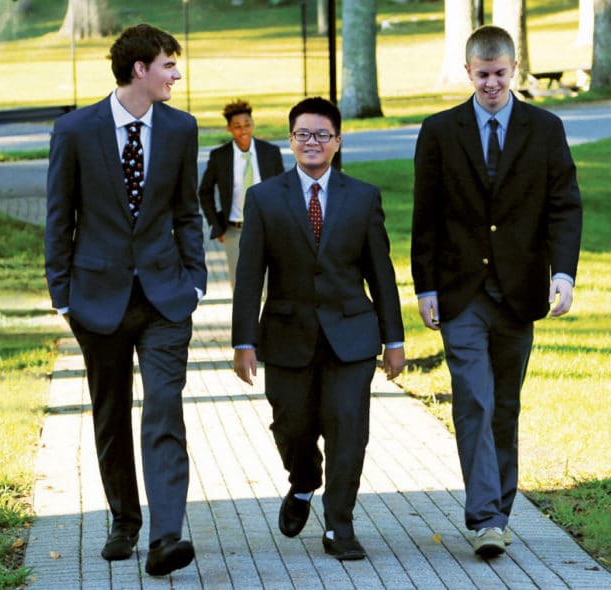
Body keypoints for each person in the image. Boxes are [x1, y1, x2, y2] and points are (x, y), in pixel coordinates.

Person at [411, 25, 582, 558]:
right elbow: (426, 217)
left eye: (500, 74)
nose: (491, 84)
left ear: (513, 71)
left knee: (505, 404)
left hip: (521, 289)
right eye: (482, 75)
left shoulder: (545, 128)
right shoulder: (439, 131)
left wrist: (563, 273)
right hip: (461, 293)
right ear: (468, 72)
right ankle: (485, 517)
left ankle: (499, 513)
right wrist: (426, 287)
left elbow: (564, 206)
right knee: (474, 400)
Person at [44, 24, 207, 576]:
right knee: (111, 413)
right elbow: (58, 217)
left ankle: (166, 537)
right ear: (140, 69)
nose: (176, 75)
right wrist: (62, 296)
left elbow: (188, 211)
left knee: (164, 407)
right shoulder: (74, 131)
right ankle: (124, 520)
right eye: (168, 65)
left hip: (165, 299)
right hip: (97, 299)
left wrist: (197, 281)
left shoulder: (182, 129)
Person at [232, 97, 405, 561]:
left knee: (349, 429)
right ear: (290, 141)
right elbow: (250, 275)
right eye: (303, 134)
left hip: (351, 336)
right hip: (288, 337)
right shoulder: (264, 198)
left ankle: (339, 525)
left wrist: (395, 340)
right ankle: (304, 479)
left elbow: (380, 273)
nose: (312, 142)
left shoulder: (363, 197)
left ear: (337, 141)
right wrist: (243, 342)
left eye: (322, 135)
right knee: (291, 426)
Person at [198, 99, 284, 290]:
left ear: (253, 124)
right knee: (241, 288)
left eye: (247, 124)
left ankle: (267, 321)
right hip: (235, 231)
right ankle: (245, 321)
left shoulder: (270, 152)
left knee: (272, 288)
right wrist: (215, 224)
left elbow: (284, 190)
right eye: (237, 126)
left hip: (268, 229)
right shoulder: (220, 157)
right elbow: (205, 192)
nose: (243, 130)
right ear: (229, 128)